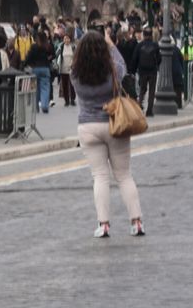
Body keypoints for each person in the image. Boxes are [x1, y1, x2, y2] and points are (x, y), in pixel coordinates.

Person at [71, 31, 144, 238]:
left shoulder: (75, 74)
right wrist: (111, 44)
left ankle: (103, 224)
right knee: (124, 175)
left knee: (100, 177)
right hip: (114, 124)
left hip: (88, 126)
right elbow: (122, 66)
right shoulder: (112, 71)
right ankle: (136, 222)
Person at [135, 29, 162, 116]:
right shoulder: (155, 45)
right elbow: (159, 58)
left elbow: (135, 58)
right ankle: (149, 110)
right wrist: (156, 65)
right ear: (151, 35)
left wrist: (134, 69)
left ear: (143, 35)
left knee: (142, 90)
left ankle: (139, 107)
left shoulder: (140, 45)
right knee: (151, 91)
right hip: (152, 71)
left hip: (142, 71)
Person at [25, 31, 53, 114]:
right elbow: (52, 55)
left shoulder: (34, 46)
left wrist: (25, 64)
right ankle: (44, 105)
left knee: (34, 88)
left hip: (35, 68)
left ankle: (35, 106)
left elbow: (29, 57)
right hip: (45, 68)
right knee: (45, 87)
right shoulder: (47, 46)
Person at [56, 31, 76, 107]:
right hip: (63, 68)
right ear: (63, 40)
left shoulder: (73, 47)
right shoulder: (61, 47)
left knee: (72, 85)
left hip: (71, 68)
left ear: (70, 39)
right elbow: (56, 54)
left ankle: (72, 99)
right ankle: (66, 100)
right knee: (64, 85)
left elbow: (76, 56)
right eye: (65, 39)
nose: (66, 40)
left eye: (67, 39)